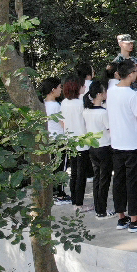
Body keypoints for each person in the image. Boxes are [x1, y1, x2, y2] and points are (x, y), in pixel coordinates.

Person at [108, 60, 137, 233]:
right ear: (130, 74)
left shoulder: (111, 92)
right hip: (133, 143)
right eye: (135, 71)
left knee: (118, 180)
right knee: (133, 182)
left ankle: (122, 217)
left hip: (117, 143)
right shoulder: (131, 95)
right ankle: (134, 219)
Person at [83, 81, 114, 219]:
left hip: (92, 147)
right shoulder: (103, 112)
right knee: (104, 180)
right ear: (100, 95)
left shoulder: (86, 111)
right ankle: (101, 210)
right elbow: (110, 129)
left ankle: (98, 208)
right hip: (104, 147)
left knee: (97, 178)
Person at [60, 76, 91, 211]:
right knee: (81, 174)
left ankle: (75, 201)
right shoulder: (81, 104)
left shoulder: (64, 103)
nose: (85, 88)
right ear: (77, 88)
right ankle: (79, 204)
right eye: (82, 86)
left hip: (70, 141)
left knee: (74, 173)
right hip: (82, 141)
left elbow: (62, 121)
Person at [40, 77, 71, 204]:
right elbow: (63, 123)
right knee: (61, 168)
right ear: (53, 90)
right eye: (59, 87)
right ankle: (60, 194)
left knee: (53, 167)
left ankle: (54, 193)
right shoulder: (56, 106)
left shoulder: (43, 104)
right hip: (59, 140)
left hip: (49, 139)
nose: (61, 90)